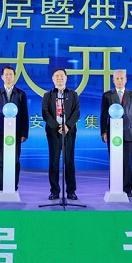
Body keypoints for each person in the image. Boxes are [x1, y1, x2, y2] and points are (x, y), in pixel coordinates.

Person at [100, 69, 132, 197]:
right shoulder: (107, 95)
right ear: (113, 80)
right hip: (112, 133)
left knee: (127, 162)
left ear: (126, 80)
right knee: (114, 161)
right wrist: (104, 132)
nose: (119, 81)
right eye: (117, 78)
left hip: (129, 132)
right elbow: (103, 115)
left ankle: (127, 189)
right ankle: (114, 186)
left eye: (122, 78)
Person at [0, 65, 29, 194]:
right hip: (0, 133)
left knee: (15, 161)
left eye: (11, 75)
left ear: (14, 77)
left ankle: (13, 186)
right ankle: (0, 187)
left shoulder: (21, 94)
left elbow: (24, 115)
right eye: (6, 75)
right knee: (0, 161)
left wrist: (24, 133)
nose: (8, 77)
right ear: (2, 77)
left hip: (16, 133)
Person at [42, 68, 80, 200]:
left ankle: (71, 191)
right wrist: (57, 126)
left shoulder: (73, 94)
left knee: (69, 161)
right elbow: (45, 113)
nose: (59, 78)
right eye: (57, 76)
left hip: (69, 132)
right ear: (53, 79)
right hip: (53, 132)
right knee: (54, 162)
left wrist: (67, 126)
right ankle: (54, 191)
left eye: (62, 76)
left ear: (66, 78)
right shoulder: (48, 95)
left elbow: (76, 112)